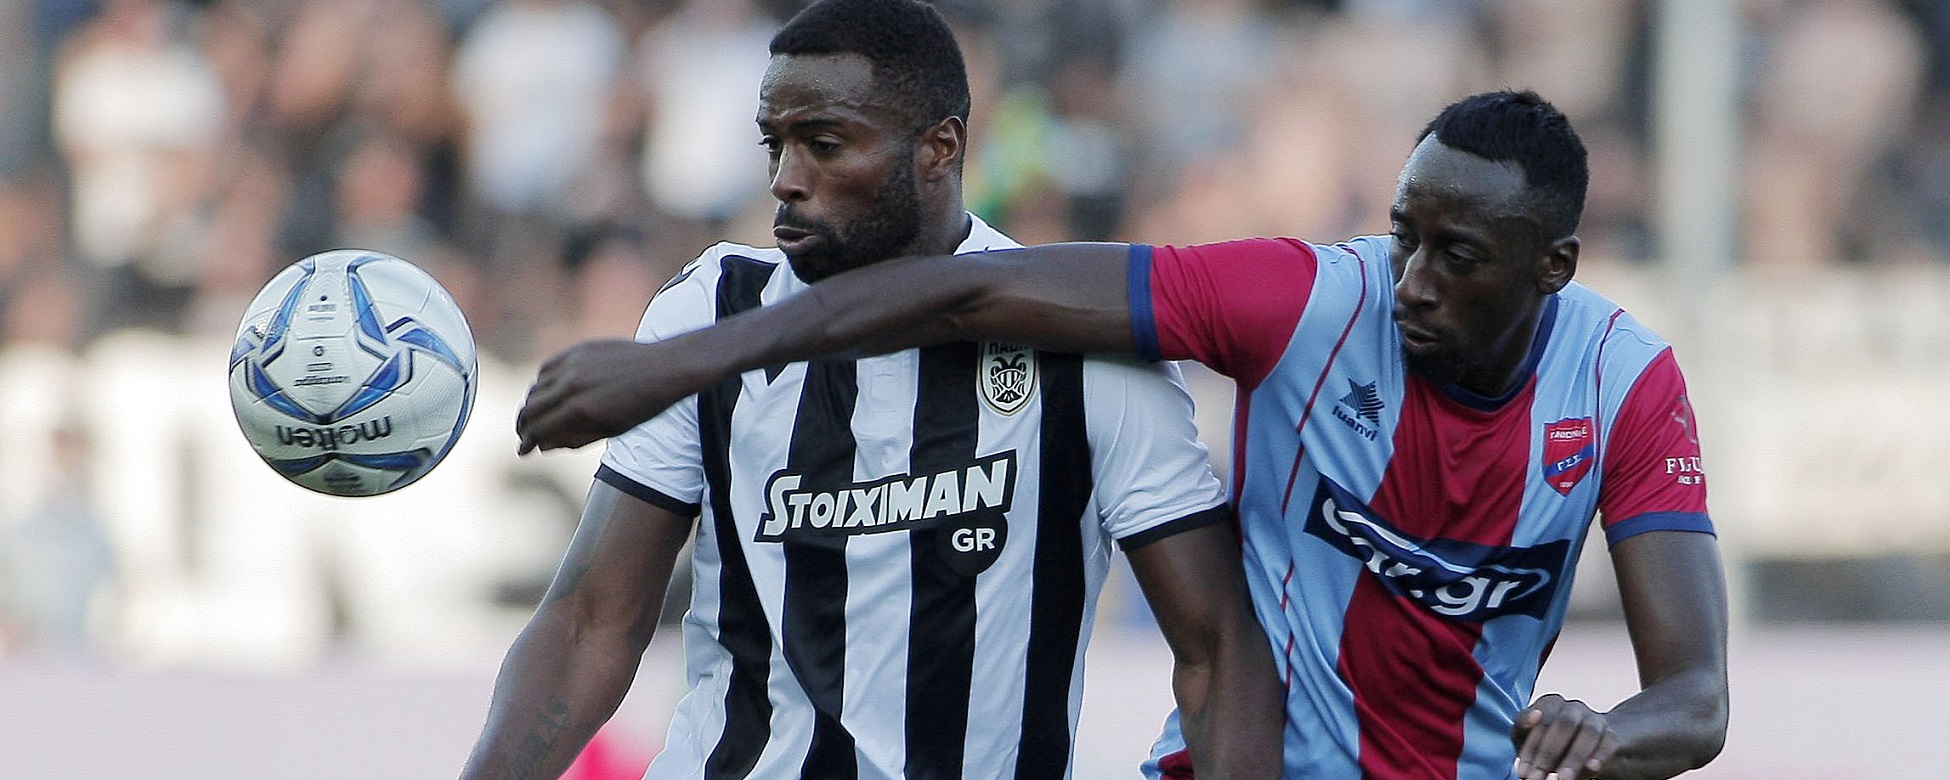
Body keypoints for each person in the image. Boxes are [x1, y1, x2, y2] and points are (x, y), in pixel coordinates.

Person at [516, 90, 1732, 780]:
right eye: (1404, 232)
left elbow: (1697, 698)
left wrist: (1609, 729)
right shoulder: (1306, 300)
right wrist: (683, 360)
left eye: (1456, 258)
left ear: (1553, 266)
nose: (1409, 280)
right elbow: (975, 290)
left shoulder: (1624, 387)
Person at [461, 1, 1281, 778]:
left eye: (823, 144)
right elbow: (590, 623)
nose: (786, 178)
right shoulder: (710, 309)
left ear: (939, 148)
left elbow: (1216, 648)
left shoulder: (1081, 341)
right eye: (774, 144)